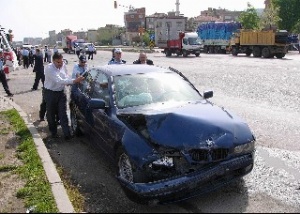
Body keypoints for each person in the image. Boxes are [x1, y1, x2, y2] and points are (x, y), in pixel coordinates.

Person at [44, 52, 84, 140]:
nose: (60, 64)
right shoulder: (49, 68)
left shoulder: (63, 65)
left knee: (63, 113)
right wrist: (74, 81)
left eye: (61, 61)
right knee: (51, 114)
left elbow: (66, 77)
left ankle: (67, 134)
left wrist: (73, 80)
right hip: (50, 93)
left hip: (61, 93)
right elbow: (59, 80)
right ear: (53, 61)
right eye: (58, 62)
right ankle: (53, 133)